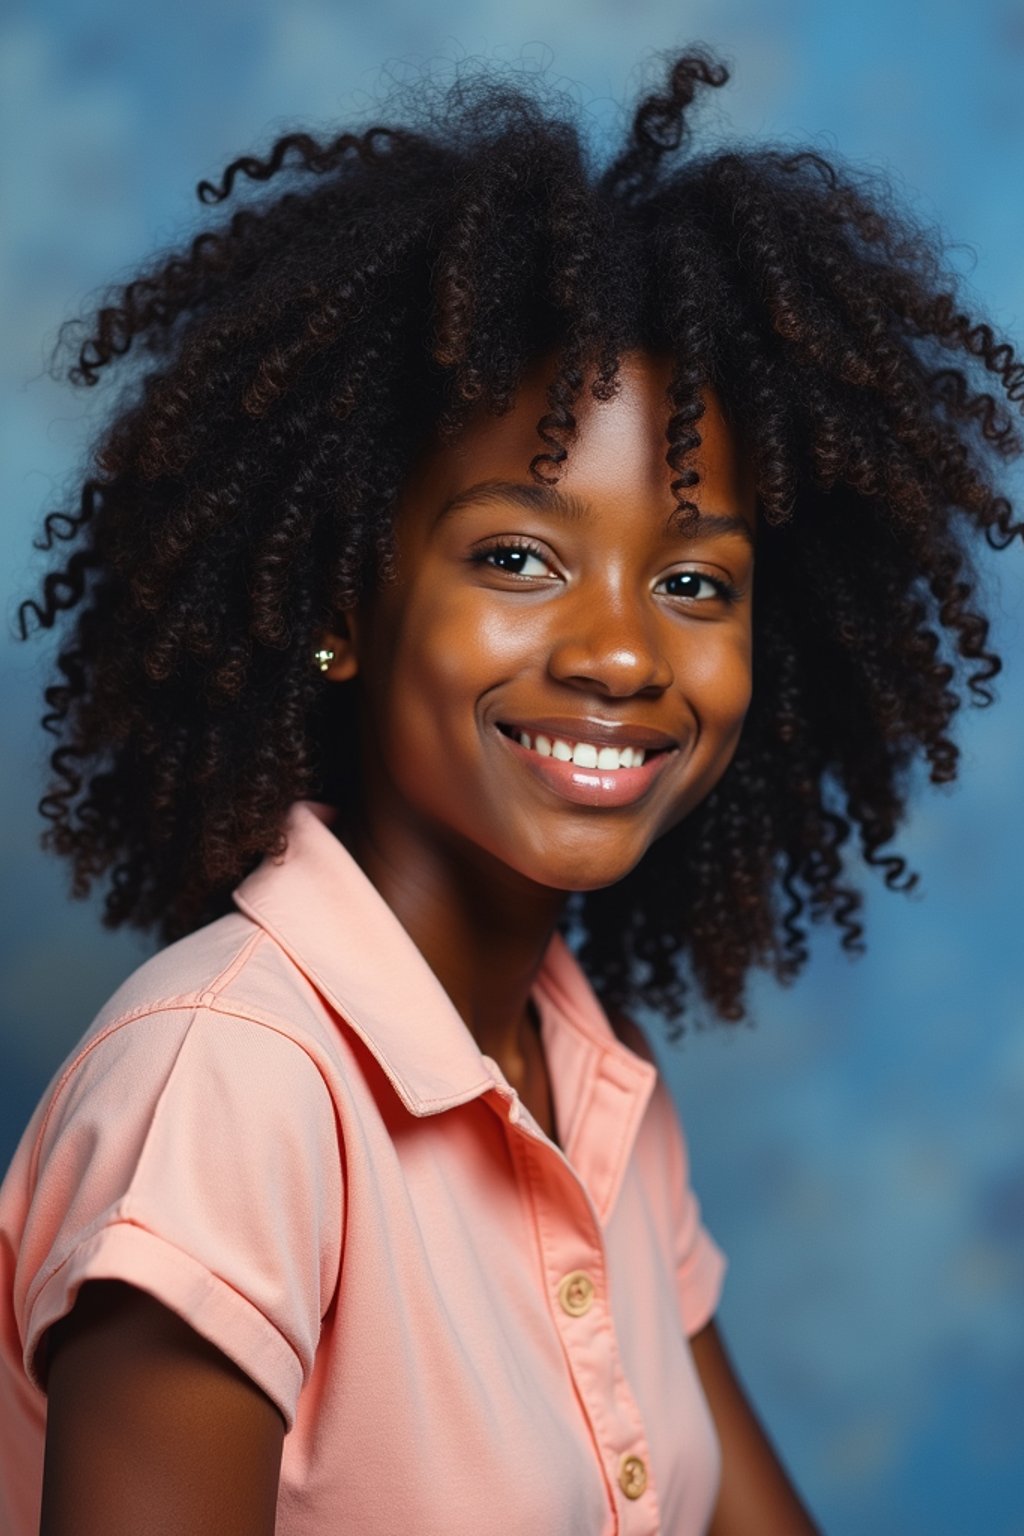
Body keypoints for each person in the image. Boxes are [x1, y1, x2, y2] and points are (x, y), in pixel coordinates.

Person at [1, 45, 1020, 1536]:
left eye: (691, 581)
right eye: (517, 558)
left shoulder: (590, 1081)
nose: (621, 650)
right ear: (344, 601)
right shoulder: (227, 1090)